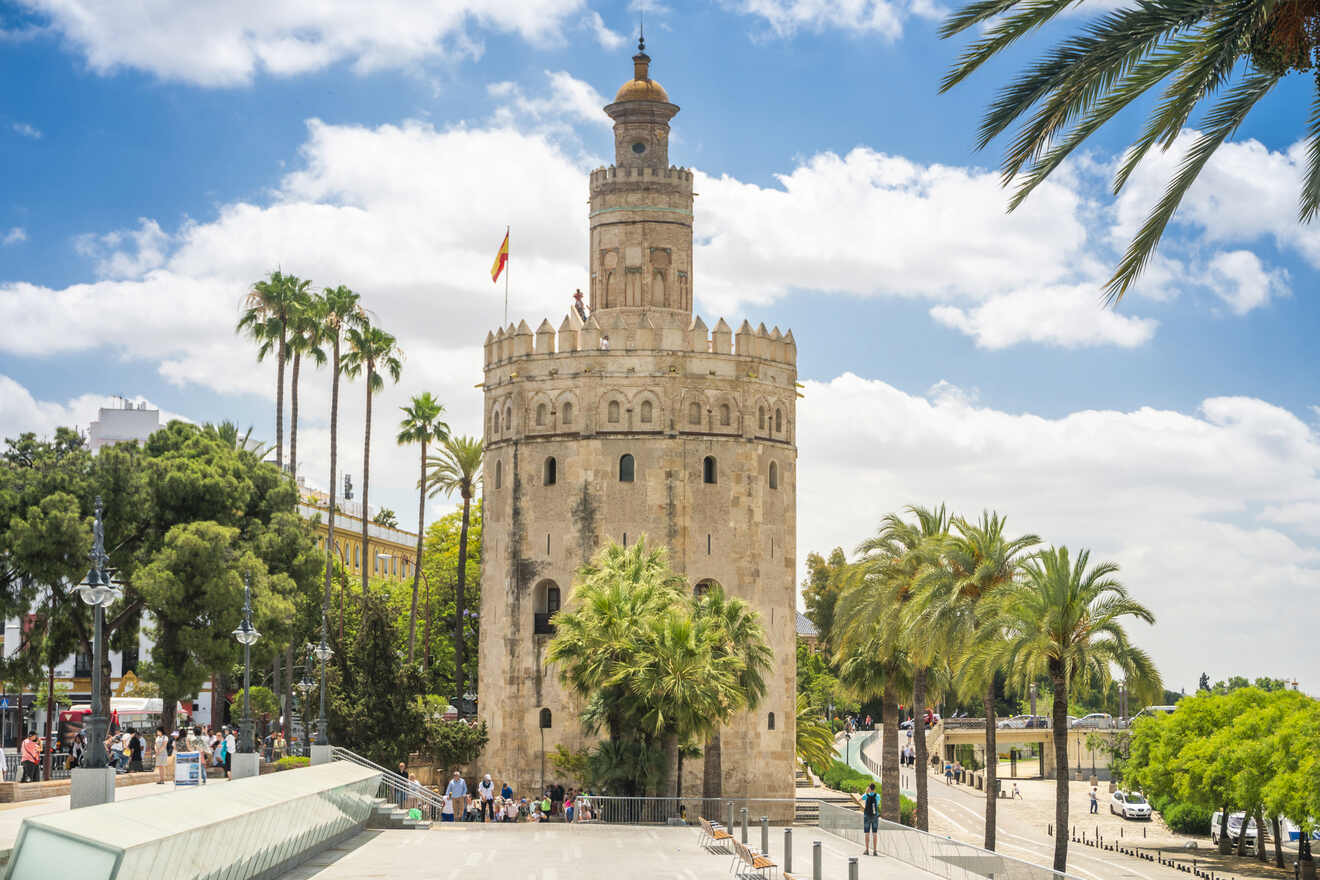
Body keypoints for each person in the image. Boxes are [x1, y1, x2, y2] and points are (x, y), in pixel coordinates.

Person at [861, 782, 880, 856]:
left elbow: (859, 799)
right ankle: (875, 851)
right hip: (875, 816)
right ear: (874, 789)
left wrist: (866, 792)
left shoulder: (866, 795)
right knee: (875, 833)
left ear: (869, 788)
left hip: (867, 816)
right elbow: (877, 804)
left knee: (867, 833)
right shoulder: (877, 796)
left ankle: (867, 850)